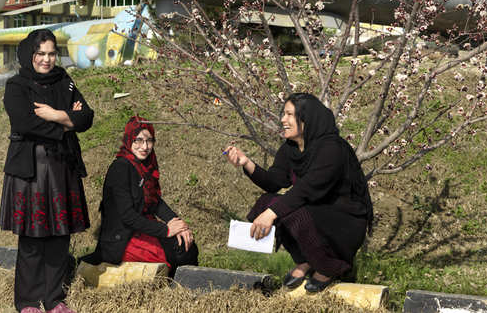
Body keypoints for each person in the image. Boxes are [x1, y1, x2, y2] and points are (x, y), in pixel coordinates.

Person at [224, 93, 373, 293]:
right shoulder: (290, 149)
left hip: (344, 219)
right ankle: (306, 260)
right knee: (270, 201)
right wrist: (246, 162)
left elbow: (307, 189)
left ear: (306, 119)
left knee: (286, 210)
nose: (283, 119)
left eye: (289, 114)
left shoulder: (332, 148)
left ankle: (330, 266)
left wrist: (270, 214)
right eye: (283, 114)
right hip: (316, 211)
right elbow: (274, 182)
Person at [0, 29, 93, 313]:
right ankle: (27, 302)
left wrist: (55, 115)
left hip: (62, 166)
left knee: (59, 236)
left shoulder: (64, 80)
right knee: (32, 238)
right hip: (31, 170)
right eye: (41, 54)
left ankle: (54, 300)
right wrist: (68, 122)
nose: (47, 59)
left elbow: (86, 116)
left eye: (52, 53)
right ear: (30, 54)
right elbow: (25, 123)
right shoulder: (17, 85)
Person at [82, 116, 198, 275]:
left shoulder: (146, 165)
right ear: (129, 140)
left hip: (142, 228)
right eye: (138, 140)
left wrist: (178, 224)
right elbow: (127, 216)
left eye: (149, 140)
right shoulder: (120, 168)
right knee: (177, 253)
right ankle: (169, 290)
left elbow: (155, 201)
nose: (145, 146)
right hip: (122, 238)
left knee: (186, 244)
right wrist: (166, 230)